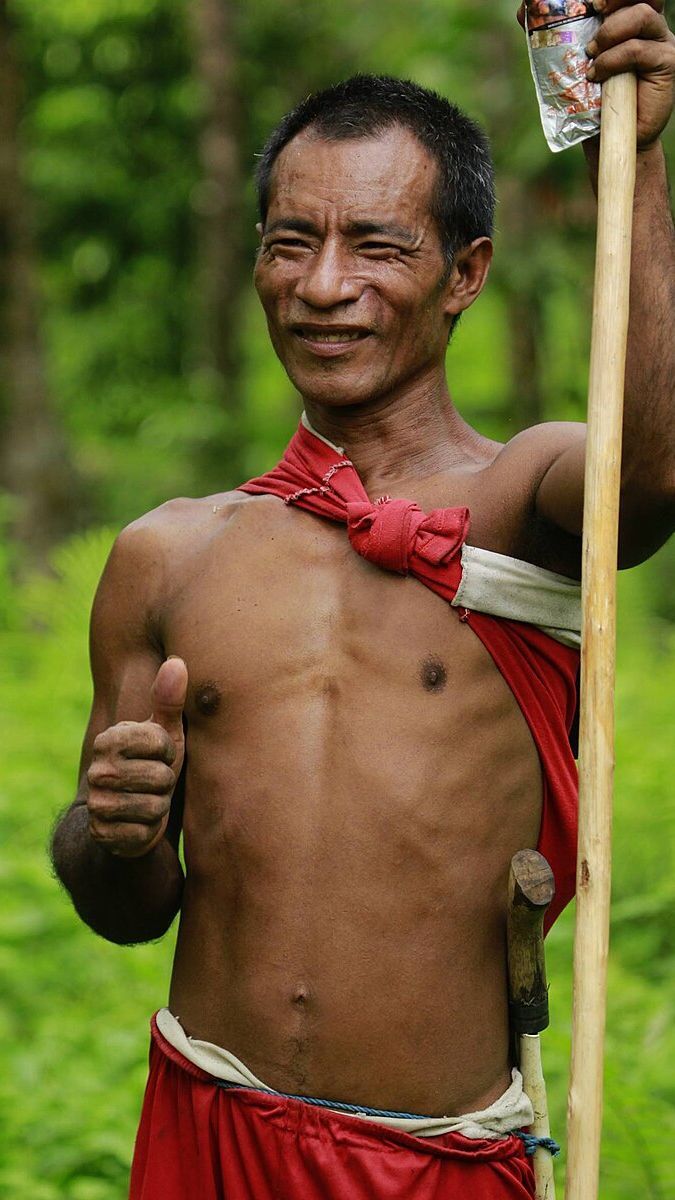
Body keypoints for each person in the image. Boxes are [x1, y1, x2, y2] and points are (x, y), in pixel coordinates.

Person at [51, 2, 674, 1197]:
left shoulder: (520, 497)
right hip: (203, 1125)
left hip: (430, 1163)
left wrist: (632, 163)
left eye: (378, 248)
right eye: (292, 242)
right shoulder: (168, 554)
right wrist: (109, 827)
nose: (324, 286)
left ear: (464, 274)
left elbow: (650, 476)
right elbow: (125, 909)